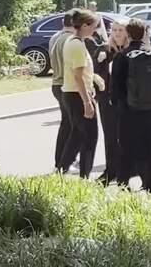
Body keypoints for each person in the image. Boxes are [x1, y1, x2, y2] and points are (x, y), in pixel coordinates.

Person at [112, 17, 151, 193]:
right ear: (145, 33)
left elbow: (115, 87)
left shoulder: (122, 56)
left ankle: (123, 185)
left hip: (129, 111)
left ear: (128, 34)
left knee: (126, 149)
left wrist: (120, 107)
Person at [58, 9, 100, 179]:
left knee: (77, 134)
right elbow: (77, 75)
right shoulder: (76, 44)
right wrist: (87, 102)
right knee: (90, 136)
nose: (95, 30)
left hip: (73, 93)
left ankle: (62, 169)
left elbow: (80, 71)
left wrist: (95, 78)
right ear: (84, 26)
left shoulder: (74, 41)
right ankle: (84, 175)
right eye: (93, 27)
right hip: (77, 95)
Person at [91, 19, 126, 184]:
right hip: (107, 101)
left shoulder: (131, 51)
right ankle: (110, 171)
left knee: (126, 137)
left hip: (127, 102)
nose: (118, 33)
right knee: (110, 137)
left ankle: (126, 171)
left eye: (121, 30)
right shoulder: (104, 50)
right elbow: (94, 75)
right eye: (115, 30)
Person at [48, 10, 76, 172]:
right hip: (66, 84)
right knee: (71, 125)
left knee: (67, 123)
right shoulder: (70, 40)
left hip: (57, 83)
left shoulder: (56, 38)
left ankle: (62, 161)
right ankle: (64, 162)